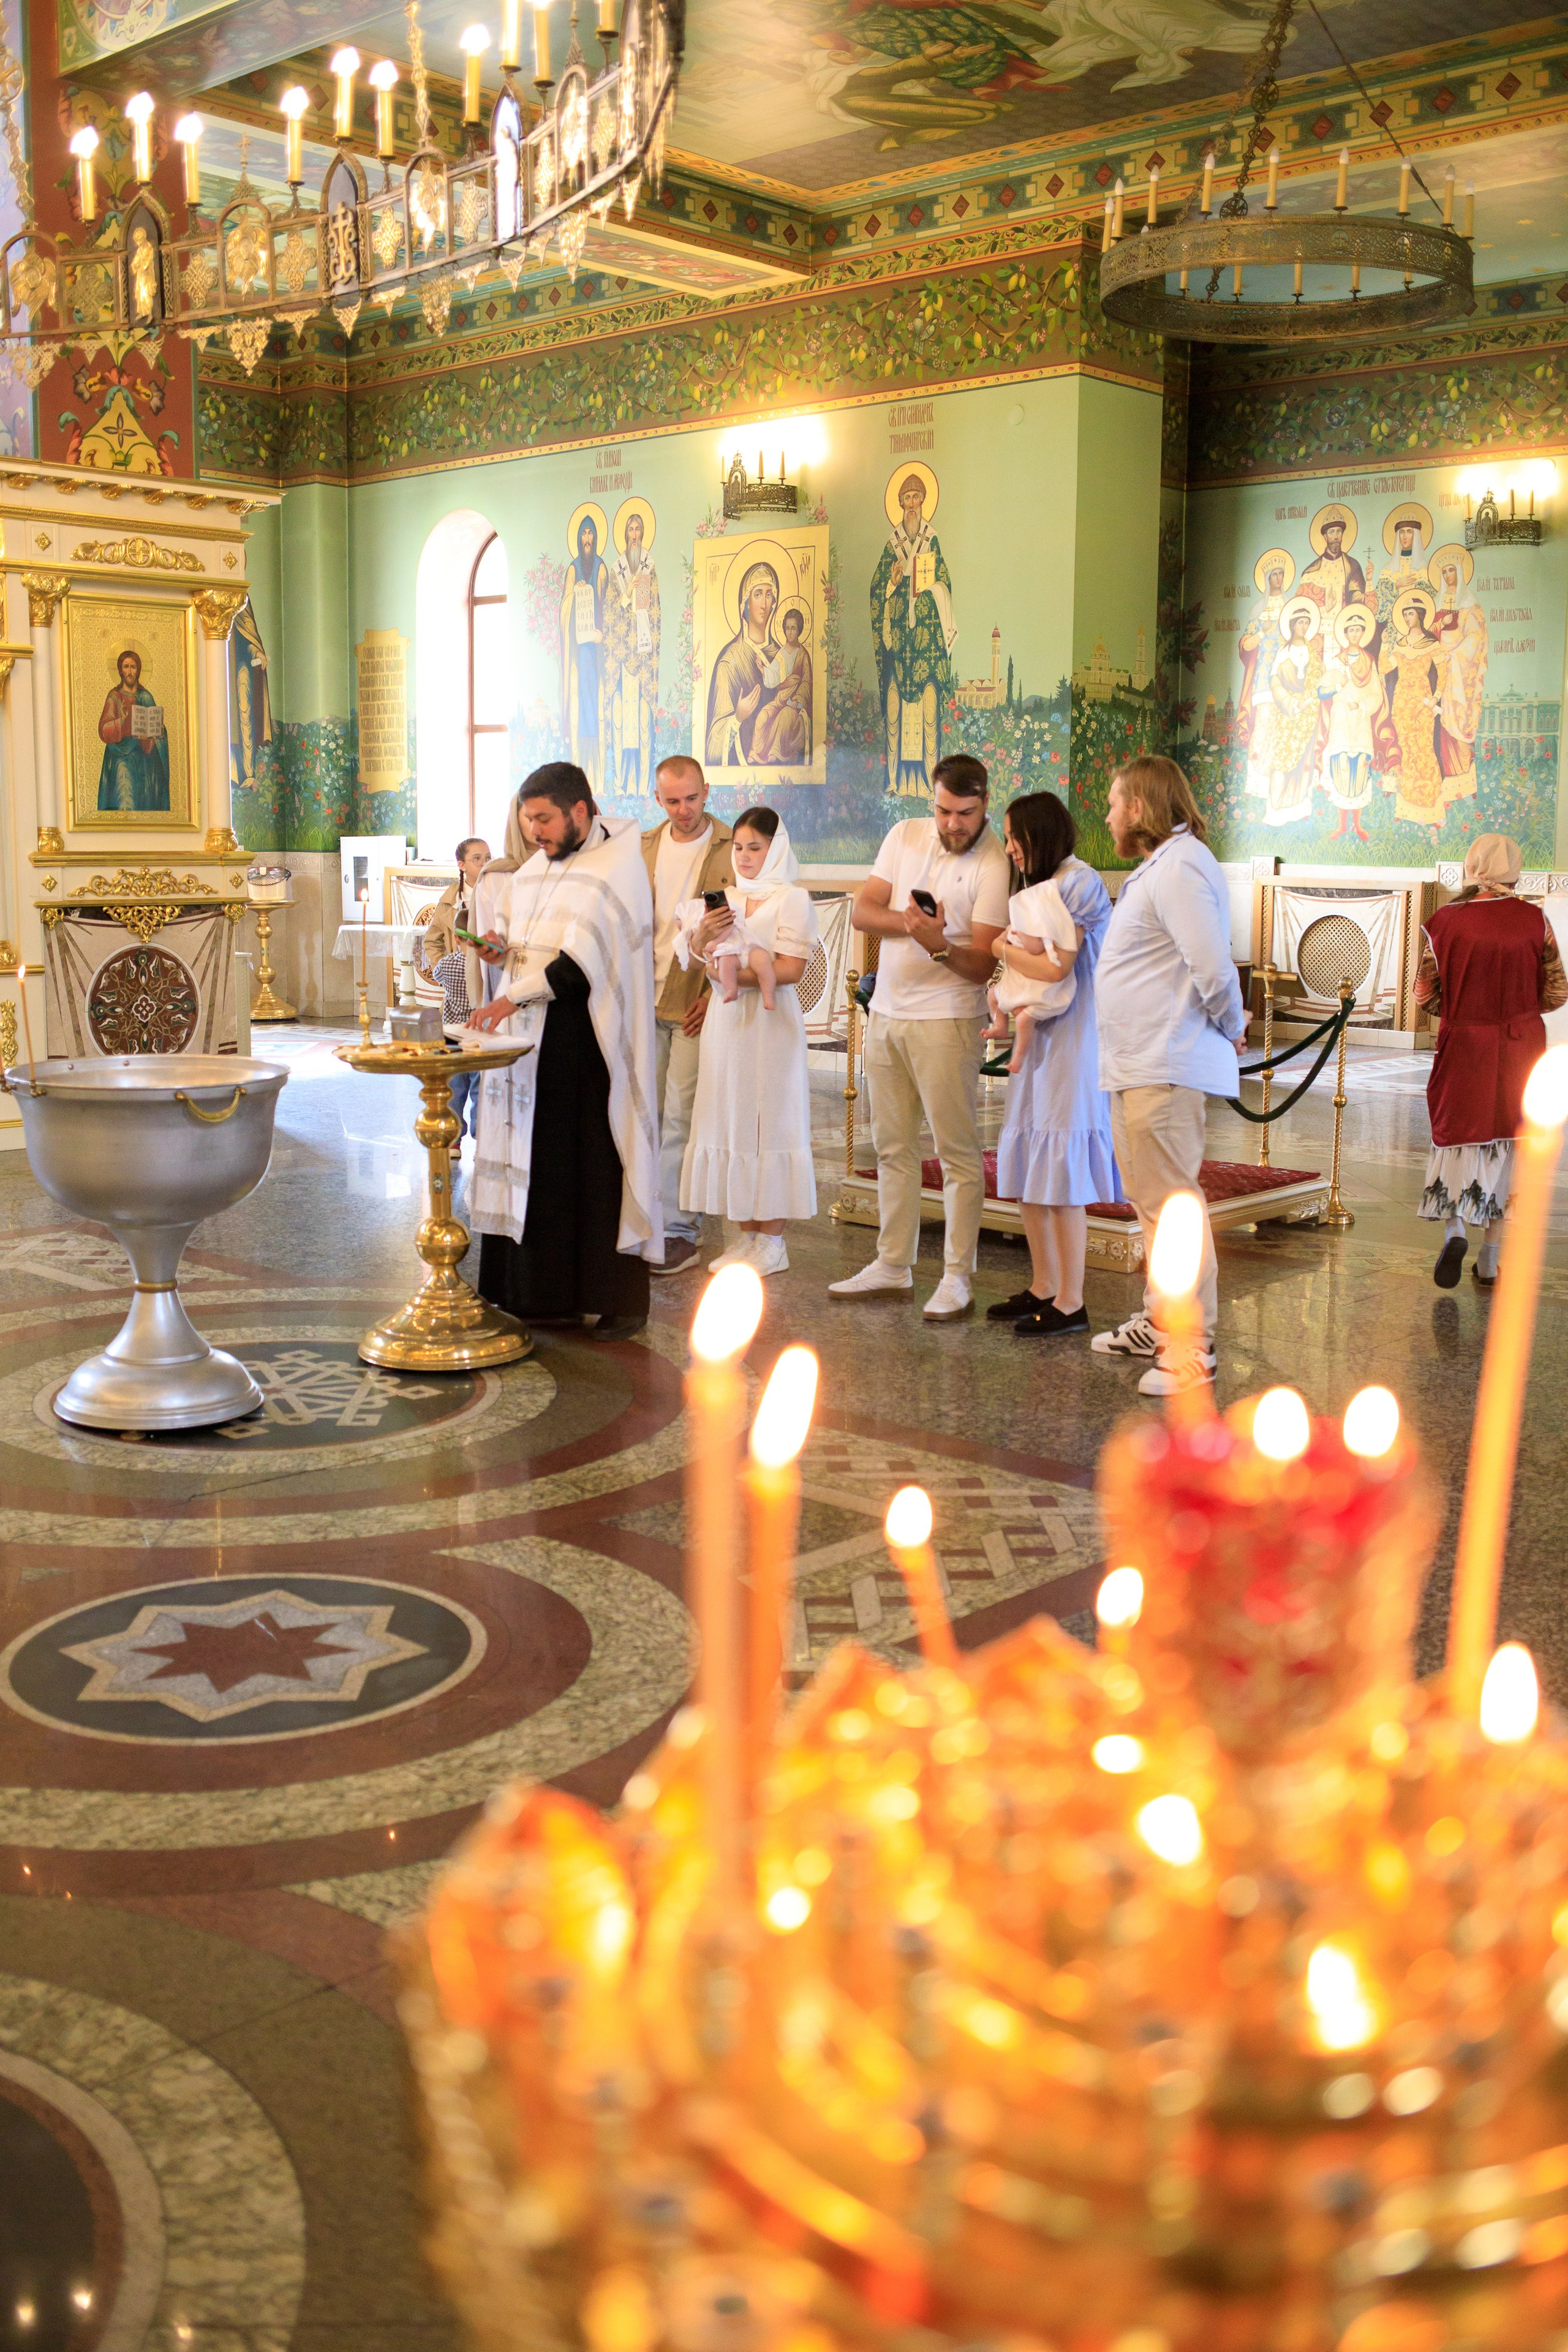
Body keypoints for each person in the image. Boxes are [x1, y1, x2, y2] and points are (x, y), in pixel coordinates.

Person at [466, 763, 661, 1338]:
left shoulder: (616, 866)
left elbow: (584, 966)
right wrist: (498, 951)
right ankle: (534, 1294)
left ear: (580, 811)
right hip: (527, 1041)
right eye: (528, 821)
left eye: (544, 819)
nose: (535, 833)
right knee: (538, 1164)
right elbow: (518, 941)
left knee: (588, 1166)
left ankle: (614, 1298)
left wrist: (509, 1000)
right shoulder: (532, 870)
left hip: (586, 1040)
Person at [830, 753, 1009, 1320]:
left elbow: (982, 965)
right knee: (892, 1146)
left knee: (956, 1153)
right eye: (943, 810)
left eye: (965, 813)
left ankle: (958, 1275)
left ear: (985, 806)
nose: (952, 823)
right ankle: (892, 1263)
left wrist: (937, 944)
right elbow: (862, 912)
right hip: (887, 1012)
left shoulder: (995, 859)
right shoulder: (905, 834)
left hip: (949, 1019)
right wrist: (915, 928)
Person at [1092, 755, 1247, 1396]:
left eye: (1113, 801)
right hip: (1136, 1061)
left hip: (1165, 1058)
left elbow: (1211, 965)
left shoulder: (1181, 867)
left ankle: (1191, 1347)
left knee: (1173, 1209)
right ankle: (1160, 1322)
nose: (1106, 814)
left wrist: (1233, 1024)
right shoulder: (1161, 868)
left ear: (1139, 806)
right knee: (1152, 1207)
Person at [990, 793, 1120, 1338]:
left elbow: (1054, 967)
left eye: (1015, 837)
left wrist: (1001, 949)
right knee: (1031, 1162)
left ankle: (1073, 1300)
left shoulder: (1079, 883)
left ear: (1039, 834)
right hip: (1040, 1034)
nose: (1009, 849)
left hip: (1074, 1038)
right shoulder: (1039, 888)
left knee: (1061, 1170)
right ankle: (1044, 1284)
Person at [1416, 832, 1566, 1289]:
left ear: (1473, 866)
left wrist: (1464, 1014)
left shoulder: (1443, 923)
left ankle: (1455, 1229)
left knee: (1459, 1139)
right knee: (1509, 1146)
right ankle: (1489, 1260)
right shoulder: (1535, 921)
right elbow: (1558, 991)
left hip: (1465, 1044)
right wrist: (1518, 1009)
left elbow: (1426, 996)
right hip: (1521, 1046)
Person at [678, 809, 820, 1276]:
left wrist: (731, 976)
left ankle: (773, 1241)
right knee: (730, 1117)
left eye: (755, 847)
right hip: (727, 1025)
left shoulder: (793, 898)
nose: (746, 855)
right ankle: (746, 1236)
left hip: (770, 1024)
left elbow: (791, 968)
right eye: (739, 847)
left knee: (770, 1121)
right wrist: (702, 939)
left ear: (775, 848)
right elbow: (698, 957)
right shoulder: (726, 899)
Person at [641, 758, 734, 1278]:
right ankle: (649, 1219)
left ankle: (680, 1230)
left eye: (692, 799)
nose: (684, 810)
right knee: (648, 1114)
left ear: (706, 792)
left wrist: (711, 990)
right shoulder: (642, 849)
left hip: (698, 1001)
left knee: (681, 1114)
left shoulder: (730, 847)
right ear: (658, 799)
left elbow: (744, 924)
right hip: (645, 999)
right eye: (673, 800)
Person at [420, 834, 491, 1148]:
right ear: (462, 865)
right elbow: (431, 939)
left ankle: (484, 1137)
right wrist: (446, 964)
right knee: (456, 1080)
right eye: (478, 858)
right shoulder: (451, 898)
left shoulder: (497, 891)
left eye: (488, 857)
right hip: (458, 989)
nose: (485, 863)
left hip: (488, 988)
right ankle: (453, 1137)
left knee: (481, 1079)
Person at [984, 865, 1077, 1075]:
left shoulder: (1041, 932)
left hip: (1038, 988)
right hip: (1018, 979)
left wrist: (1016, 937)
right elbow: (998, 944)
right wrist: (1005, 939)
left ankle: (1018, 1056)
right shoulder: (1016, 926)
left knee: (1024, 1019)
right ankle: (999, 1026)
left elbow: (1034, 948)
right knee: (992, 995)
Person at [677, 890, 778, 1009]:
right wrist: (709, 945)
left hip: (749, 946)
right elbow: (699, 955)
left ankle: (768, 995)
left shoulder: (728, 914)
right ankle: (731, 989)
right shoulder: (700, 928)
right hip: (730, 953)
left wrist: (715, 942)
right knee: (726, 966)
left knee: (763, 962)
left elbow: (729, 927)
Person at [97, 649, 170, 812]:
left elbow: (159, 731)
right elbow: (104, 730)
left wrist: (153, 734)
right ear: (120, 670)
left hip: (145, 757)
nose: (129, 672)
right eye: (126, 667)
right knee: (125, 794)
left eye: (133, 667)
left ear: (138, 670)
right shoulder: (114, 697)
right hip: (121, 757)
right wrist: (121, 721)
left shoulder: (146, 696)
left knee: (145, 799)